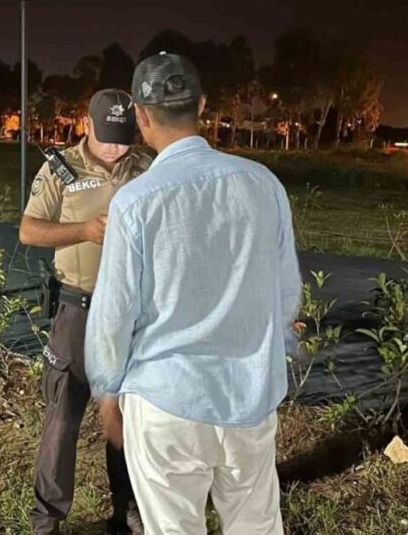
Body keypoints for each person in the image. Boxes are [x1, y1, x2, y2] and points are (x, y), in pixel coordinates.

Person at [84, 53, 302, 534]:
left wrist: (107, 392)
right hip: (249, 396)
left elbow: (115, 314)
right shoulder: (263, 185)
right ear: (202, 104)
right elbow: (287, 297)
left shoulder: (137, 202)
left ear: (140, 117)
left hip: (167, 401)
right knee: (257, 526)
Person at [21, 88, 151, 535]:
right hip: (79, 306)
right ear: (86, 124)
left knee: (126, 414)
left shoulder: (146, 167)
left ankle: (128, 508)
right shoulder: (61, 169)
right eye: (107, 136)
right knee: (64, 415)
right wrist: (83, 230)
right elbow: (29, 230)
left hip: (131, 312)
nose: (116, 147)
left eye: (124, 136)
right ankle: (47, 520)